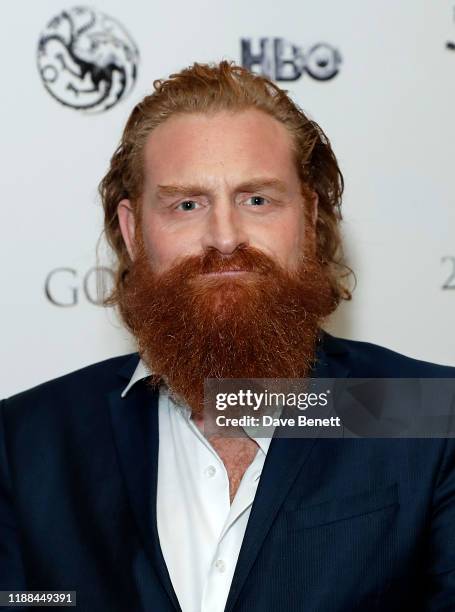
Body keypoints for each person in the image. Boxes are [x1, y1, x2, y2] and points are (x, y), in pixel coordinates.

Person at [1, 61, 454, 612]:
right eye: (187, 205)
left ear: (308, 219)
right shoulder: (28, 441)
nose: (224, 237)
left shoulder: (424, 414)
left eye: (257, 200)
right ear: (131, 230)